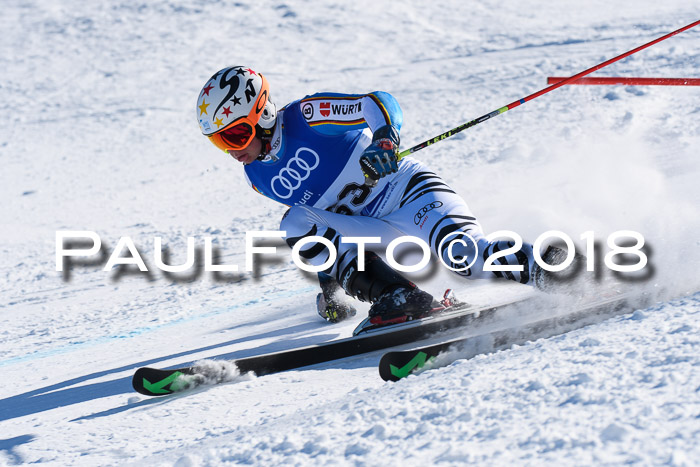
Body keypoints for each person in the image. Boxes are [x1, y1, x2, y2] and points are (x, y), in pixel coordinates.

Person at [196, 66, 568, 327]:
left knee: (465, 260)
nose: (232, 151)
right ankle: (397, 296)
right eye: (219, 142)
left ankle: (556, 269)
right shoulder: (258, 177)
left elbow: (377, 102)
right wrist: (331, 284)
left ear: (261, 114)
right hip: (376, 231)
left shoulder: (307, 116)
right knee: (295, 220)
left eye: (235, 136)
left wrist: (384, 139)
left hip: (411, 196)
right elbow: (321, 230)